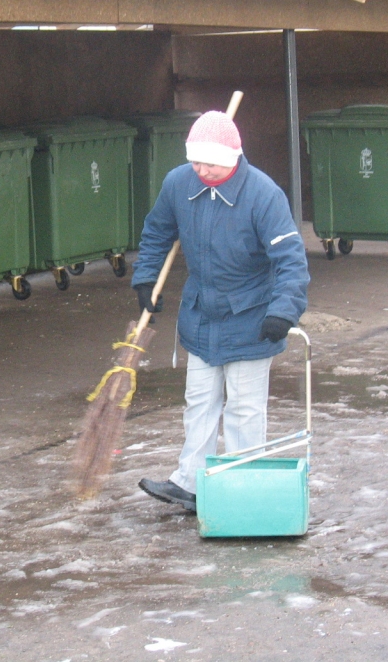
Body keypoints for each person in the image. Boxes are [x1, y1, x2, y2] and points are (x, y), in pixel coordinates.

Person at [131, 109, 310, 512]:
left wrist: (284, 310)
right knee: (199, 401)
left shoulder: (263, 194)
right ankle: (191, 482)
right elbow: (158, 230)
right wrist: (146, 277)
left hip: (251, 315)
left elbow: (290, 259)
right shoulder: (179, 183)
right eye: (195, 160)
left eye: (210, 162)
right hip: (201, 313)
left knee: (244, 408)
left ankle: (240, 481)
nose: (201, 170)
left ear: (232, 156)